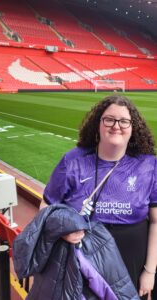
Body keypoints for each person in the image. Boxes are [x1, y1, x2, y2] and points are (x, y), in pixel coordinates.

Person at [41, 94, 157, 299]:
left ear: (133, 128)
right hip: (83, 258)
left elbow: (156, 222)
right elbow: (46, 207)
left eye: (124, 121)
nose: (116, 125)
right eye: (109, 119)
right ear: (98, 124)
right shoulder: (73, 160)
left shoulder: (149, 165)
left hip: (132, 260)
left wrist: (149, 271)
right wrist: (62, 232)